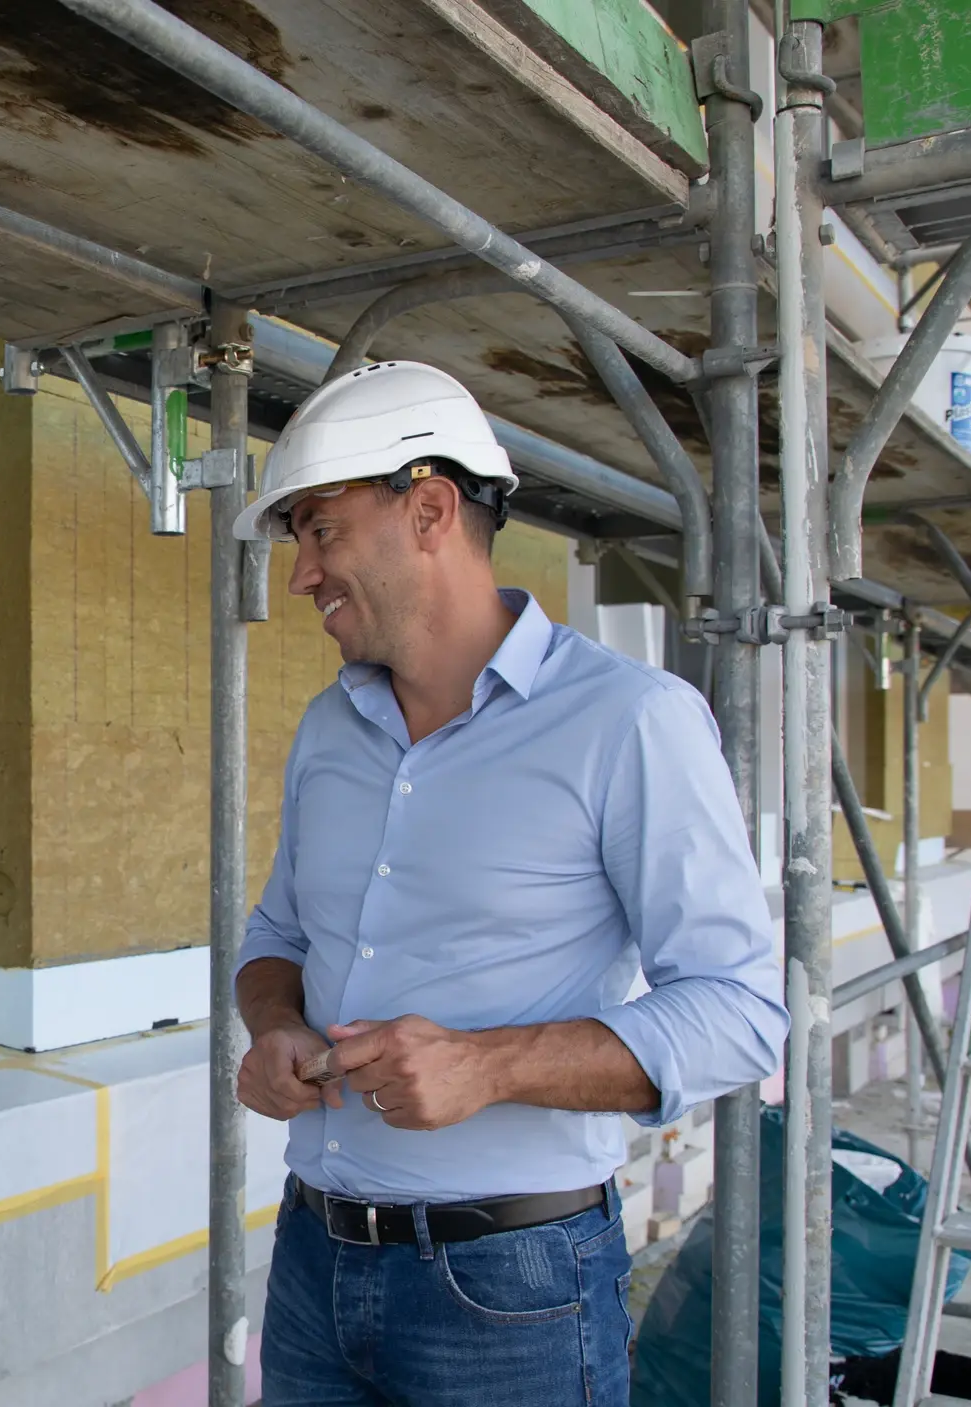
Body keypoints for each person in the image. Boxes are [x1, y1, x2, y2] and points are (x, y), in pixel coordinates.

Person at [231, 362, 788, 1407]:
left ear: (431, 507)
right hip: (314, 1257)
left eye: (319, 530)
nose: (301, 574)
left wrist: (487, 1067)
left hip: (511, 1288)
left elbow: (741, 1015)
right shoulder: (327, 729)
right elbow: (277, 939)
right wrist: (273, 1027)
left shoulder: (629, 720)